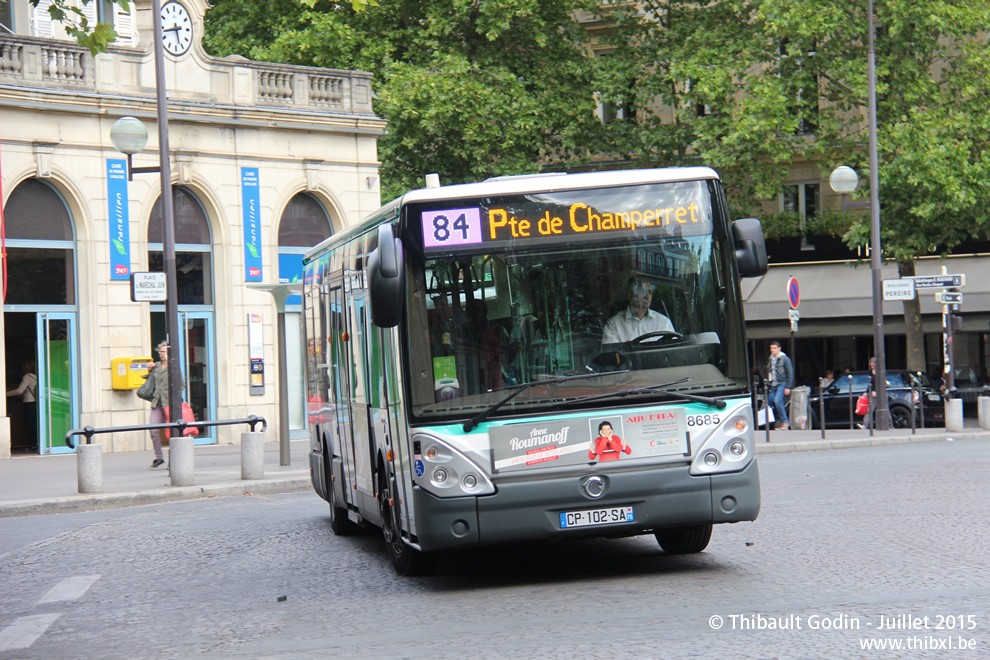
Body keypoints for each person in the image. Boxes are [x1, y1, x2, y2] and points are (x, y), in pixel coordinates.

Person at [142, 341, 183, 469]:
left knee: (172, 432)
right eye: (161, 352)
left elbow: (181, 385)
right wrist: (149, 371)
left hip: (169, 403)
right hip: (157, 403)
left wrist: (174, 398)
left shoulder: (173, 367)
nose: (162, 354)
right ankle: (159, 457)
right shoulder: (156, 366)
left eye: (165, 352)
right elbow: (150, 383)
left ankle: (174, 460)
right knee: (153, 430)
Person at [602, 276, 675, 344]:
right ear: (630, 295)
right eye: (642, 291)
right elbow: (611, 354)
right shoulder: (614, 324)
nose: (647, 296)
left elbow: (674, 351)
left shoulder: (663, 322)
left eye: (650, 292)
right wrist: (625, 348)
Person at [7, 359, 37, 449]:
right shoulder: (36, 376)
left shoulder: (27, 377)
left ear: (26, 367)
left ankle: (34, 442)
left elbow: (19, 390)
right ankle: (34, 443)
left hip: (28, 403)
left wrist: (5, 394)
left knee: (29, 424)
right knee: (33, 423)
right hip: (35, 403)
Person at [768, 340, 793, 430]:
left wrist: (788, 387)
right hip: (773, 384)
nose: (772, 350)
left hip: (782, 383)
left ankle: (785, 422)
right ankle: (770, 421)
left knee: (778, 401)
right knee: (769, 402)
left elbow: (790, 373)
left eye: (774, 348)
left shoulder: (784, 359)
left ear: (779, 348)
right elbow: (770, 372)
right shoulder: (771, 358)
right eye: (771, 348)